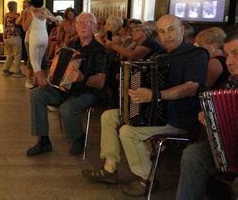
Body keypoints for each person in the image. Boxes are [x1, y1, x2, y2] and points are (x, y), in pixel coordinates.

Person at [82, 14, 209, 197]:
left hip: (179, 118)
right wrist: (129, 80)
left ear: (182, 30)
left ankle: (146, 178)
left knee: (128, 132)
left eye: (172, 29)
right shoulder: (159, 56)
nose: (167, 36)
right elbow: (146, 78)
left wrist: (155, 95)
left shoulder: (196, 54)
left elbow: (190, 88)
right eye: (162, 32)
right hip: (153, 112)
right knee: (108, 116)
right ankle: (109, 168)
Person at [26, 12, 108, 157]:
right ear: (75, 26)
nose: (82, 25)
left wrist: (82, 78)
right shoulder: (72, 44)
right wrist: (50, 77)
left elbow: (100, 82)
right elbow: (60, 67)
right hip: (64, 88)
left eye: (87, 23)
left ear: (94, 27)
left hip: (87, 92)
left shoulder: (100, 51)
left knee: (67, 108)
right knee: (37, 94)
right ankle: (43, 140)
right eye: (80, 23)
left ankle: (78, 139)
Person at [175, 31, 238, 200]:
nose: (230, 61)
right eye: (227, 55)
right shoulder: (232, 82)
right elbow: (222, 111)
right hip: (230, 149)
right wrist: (210, 116)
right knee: (194, 154)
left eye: (236, 54)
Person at [23, 0, 59, 86]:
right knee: (39, 60)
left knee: (34, 62)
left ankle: (42, 82)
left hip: (35, 37)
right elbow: (56, 19)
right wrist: (49, 17)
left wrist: (23, 16)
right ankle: (37, 82)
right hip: (44, 37)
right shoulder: (45, 10)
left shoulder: (31, 13)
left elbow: (25, 28)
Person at [2, 1, 24, 78]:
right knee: (17, 55)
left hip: (6, 37)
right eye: (16, 5)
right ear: (14, 7)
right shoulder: (16, 15)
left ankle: (6, 68)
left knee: (10, 54)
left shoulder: (6, 15)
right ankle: (17, 72)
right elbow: (21, 24)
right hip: (15, 37)